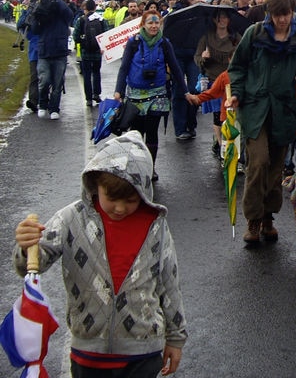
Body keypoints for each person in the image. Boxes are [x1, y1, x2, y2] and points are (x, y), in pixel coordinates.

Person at [13, 131, 187, 377]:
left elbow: (169, 283)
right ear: (95, 185)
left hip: (144, 352)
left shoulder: (155, 226)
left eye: (130, 200)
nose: (120, 208)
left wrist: (176, 338)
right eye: (112, 197)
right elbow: (31, 266)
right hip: (88, 352)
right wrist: (25, 245)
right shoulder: (70, 219)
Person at [226, 0, 296, 245]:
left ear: (293, 12)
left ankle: (268, 216)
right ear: (269, 12)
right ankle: (254, 219)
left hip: (284, 110)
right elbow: (237, 67)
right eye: (278, 14)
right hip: (255, 109)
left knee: (276, 167)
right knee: (258, 162)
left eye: (287, 13)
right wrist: (236, 93)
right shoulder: (254, 33)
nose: (282, 19)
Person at [115, 10, 188, 181]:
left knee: (152, 132)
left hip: (157, 95)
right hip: (135, 95)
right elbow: (124, 68)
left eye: (157, 23)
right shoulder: (133, 42)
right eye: (150, 23)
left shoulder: (164, 43)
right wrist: (118, 90)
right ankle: (136, 168)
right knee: (136, 133)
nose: (154, 26)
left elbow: (175, 68)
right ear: (143, 25)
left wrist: (185, 91)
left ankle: (150, 168)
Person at [194, 7, 243, 156]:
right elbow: (197, 58)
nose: (222, 20)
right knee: (217, 114)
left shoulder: (236, 38)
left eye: (225, 17)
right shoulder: (206, 38)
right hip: (213, 78)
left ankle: (225, 138)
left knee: (230, 113)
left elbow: (244, 55)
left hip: (231, 80)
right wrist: (203, 57)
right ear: (215, 20)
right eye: (219, 17)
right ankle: (221, 142)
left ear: (229, 20)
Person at [169, 0, 203, 141]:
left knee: (194, 89)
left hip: (193, 54)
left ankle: (191, 123)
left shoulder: (199, 13)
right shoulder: (175, 14)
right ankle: (180, 128)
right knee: (179, 90)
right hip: (177, 54)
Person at [35, 0, 75, 120]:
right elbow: (34, 28)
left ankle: (54, 108)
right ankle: (42, 104)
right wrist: (40, 5)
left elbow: (69, 14)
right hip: (44, 51)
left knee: (57, 83)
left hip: (59, 52)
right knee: (44, 80)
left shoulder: (62, 14)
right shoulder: (42, 12)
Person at [72, 0, 109, 107]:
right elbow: (106, 35)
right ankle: (96, 94)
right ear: (95, 8)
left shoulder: (81, 20)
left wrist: (82, 42)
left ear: (85, 8)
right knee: (96, 72)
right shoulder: (101, 19)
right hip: (97, 52)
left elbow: (75, 36)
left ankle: (88, 98)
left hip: (85, 52)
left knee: (87, 75)